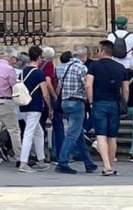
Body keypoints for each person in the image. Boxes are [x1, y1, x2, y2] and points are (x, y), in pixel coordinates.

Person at [86, 39, 131, 176]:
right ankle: (111, 164)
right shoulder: (120, 67)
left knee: (101, 135)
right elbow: (126, 89)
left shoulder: (94, 66)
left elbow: (88, 85)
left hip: (99, 102)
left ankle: (106, 166)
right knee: (112, 136)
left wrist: (91, 101)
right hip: (115, 103)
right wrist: (124, 101)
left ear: (102, 50)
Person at [53, 46, 98, 175]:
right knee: (73, 133)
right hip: (77, 102)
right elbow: (87, 85)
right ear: (83, 56)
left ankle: (88, 163)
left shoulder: (65, 66)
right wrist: (91, 101)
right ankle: (63, 161)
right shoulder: (82, 68)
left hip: (65, 102)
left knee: (78, 134)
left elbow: (59, 86)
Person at [16, 46, 53, 173]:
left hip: (24, 104)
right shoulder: (38, 73)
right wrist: (50, 107)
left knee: (38, 132)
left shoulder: (23, 72)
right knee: (29, 133)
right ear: (38, 58)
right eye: (42, 57)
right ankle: (23, 162)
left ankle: (41, 159)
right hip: (35, 105)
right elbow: (45, 93)